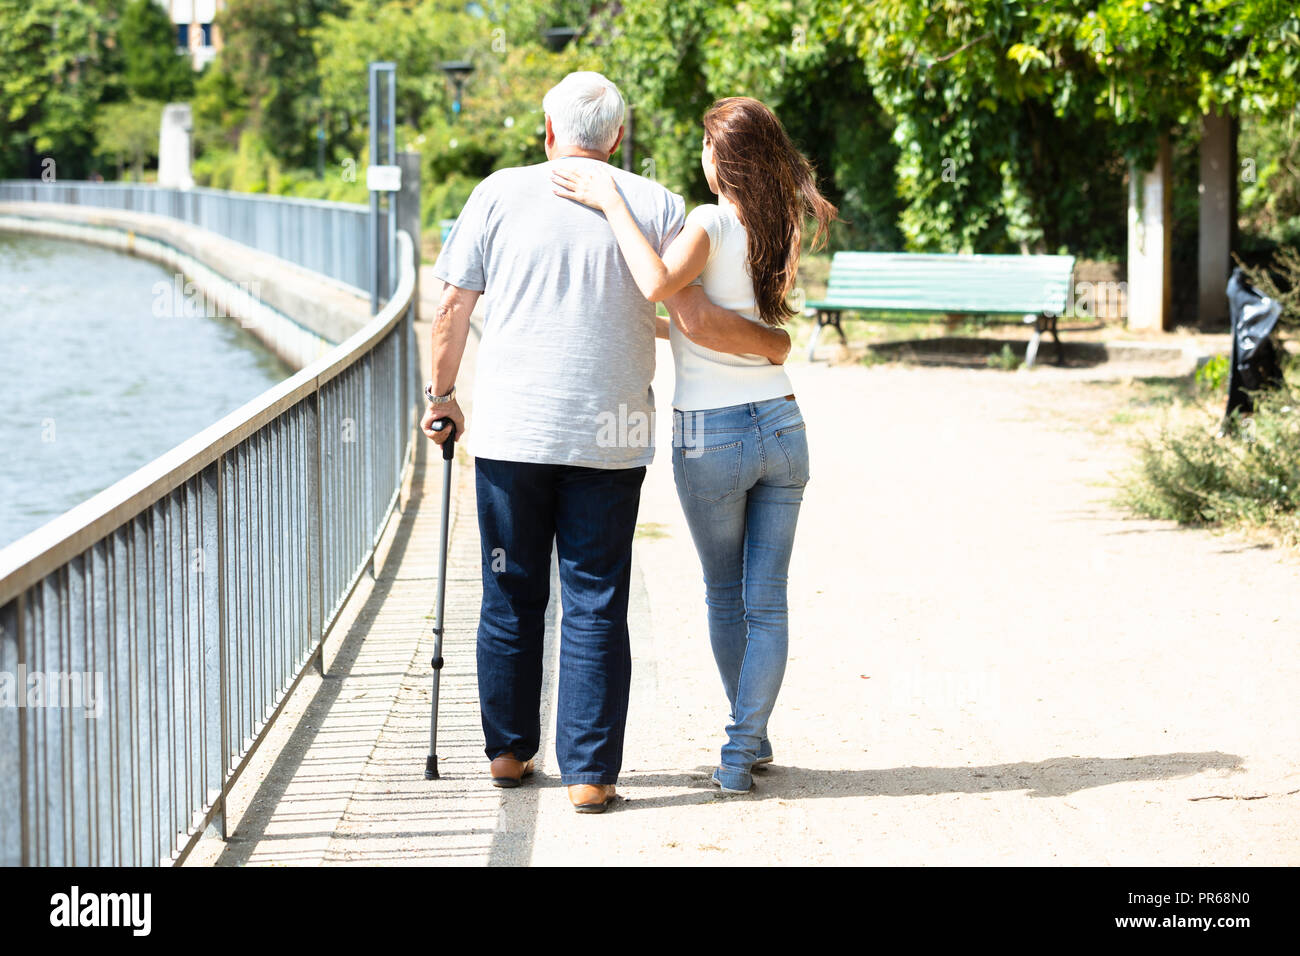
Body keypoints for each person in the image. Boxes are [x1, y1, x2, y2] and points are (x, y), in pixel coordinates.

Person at [423, 73, 792, 813]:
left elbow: (453, 306)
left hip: (513, 435)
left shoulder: (496, 192)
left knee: (510, 592)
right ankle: (590, 776)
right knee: (594, 600)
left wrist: (442, 399)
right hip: (611, 438)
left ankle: (508, 753)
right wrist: (776, 342)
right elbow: (685, 312)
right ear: (618, 136)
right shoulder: (652, 203)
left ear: (548, 130)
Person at [552, 95, 837, 794]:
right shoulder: (778, 221)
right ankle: (750, 743)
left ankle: (741, 752)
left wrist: (610, 199)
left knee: (723, 593)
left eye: (707, 146)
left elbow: (655, 283)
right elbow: (700, 320)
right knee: (767, 601)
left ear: (722, 158)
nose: (701, 159)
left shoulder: (709, 219)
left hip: (714, 433)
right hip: (782, 424)